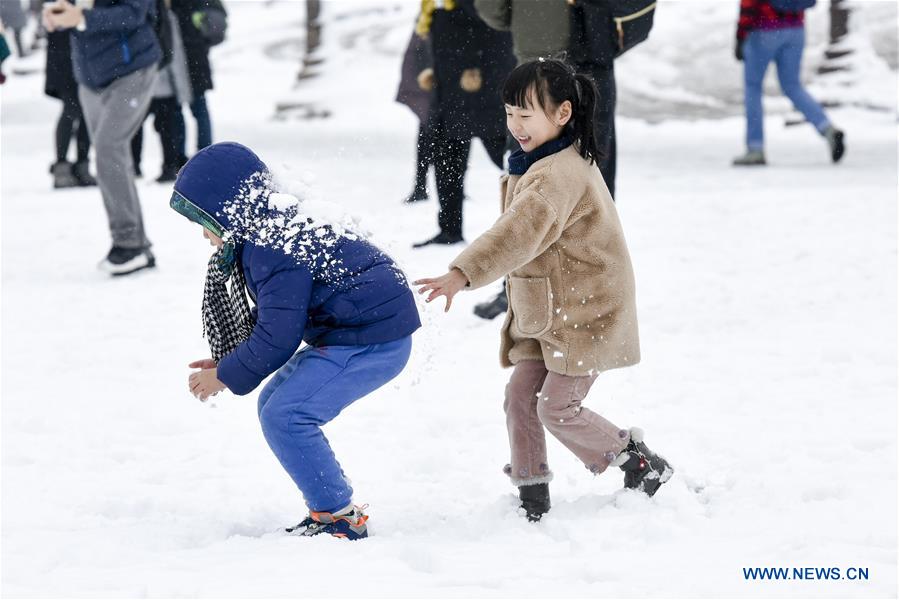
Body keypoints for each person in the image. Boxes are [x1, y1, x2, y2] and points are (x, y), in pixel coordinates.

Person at [415, 59, 672, 522]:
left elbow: (516, 234)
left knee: (558, 408)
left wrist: (463, 273)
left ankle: (640, 463)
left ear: (562, 114)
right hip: (550, 306)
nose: (515, 125)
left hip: (586, 309)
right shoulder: (539, 162)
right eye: (510, 113)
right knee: (519, 396)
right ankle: (531, 490)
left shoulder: (558, 174)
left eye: (526, 114)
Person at [171, 142, 421, 540]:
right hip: (355, 330)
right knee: (274, 404)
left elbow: (279, 335)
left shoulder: (271, 244)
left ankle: (338, 517)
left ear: (229, 213)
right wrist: (229, 362)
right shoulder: (271, 230)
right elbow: (280, 312)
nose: (205, 235)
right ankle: (334, 508)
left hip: (371, 339)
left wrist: (227, 374)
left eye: (207, 222)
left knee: (287, 415)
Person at [43, 0, 161, 276]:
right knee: (110, 154)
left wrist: (81, 18)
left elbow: (134, 13)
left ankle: (128, 242)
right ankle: (137, 244)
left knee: (110, 148)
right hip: (91, 78)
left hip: (133, 69)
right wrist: (59, 13)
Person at [412, 0, 515, 248]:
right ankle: (449, 228)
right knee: (446, 153)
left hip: (483, 69)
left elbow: (492, 13)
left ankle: (533, 223)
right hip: (451, 72)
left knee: (509, 154)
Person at [733, 0, 845, 166]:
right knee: (792, 86)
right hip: (795, 29)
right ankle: (827, 129)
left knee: (753, 88)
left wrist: (740, 35)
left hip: (763, 29)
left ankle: (755, 148)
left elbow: (749, 3)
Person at [131, 0, 192, 183]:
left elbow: (175, 52)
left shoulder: (142, 15)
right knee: (158, 129)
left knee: (158, 128)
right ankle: (162, 166)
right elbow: (175, 52)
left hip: (154, 84)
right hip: (151, 83)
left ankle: (162, 166)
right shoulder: (150, 16)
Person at [170, 0, 226, 152]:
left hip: (187, 59)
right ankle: (202, 151)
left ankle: (184, 154)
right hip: (194, 58)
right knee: (195, 109)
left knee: (180, 110)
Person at [45, 26, 96, 188]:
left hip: (85, 55)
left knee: (86, 113)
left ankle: (82, 166)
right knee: (70, 110)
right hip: (65, 58)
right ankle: (62, 167)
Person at [395, 25, 435, 204]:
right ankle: (421, 186)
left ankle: (423, 186)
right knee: (428, 134)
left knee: (450, 137)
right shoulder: (427, 19)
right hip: (429, 82)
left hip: (440, 80)